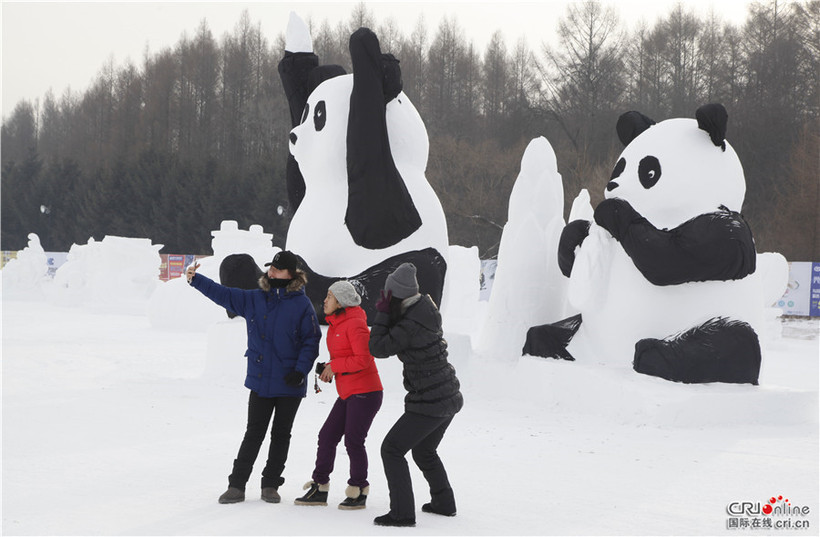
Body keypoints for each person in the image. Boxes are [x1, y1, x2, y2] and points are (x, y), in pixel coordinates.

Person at [186, 250, 321, 505]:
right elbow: (224, 294)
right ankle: (236, 485)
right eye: (270, 268)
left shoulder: (302, 304)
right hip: (261, 379)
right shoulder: (255, 298)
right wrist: (197, 280)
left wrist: (300, 370)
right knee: (254, 432)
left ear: (291, 274)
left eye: (277, 270)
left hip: (290, 382)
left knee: (281, 434)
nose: (271, 273)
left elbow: (311, 340)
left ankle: (270, 484)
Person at [368, 262, 464, 527]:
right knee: (424, 450)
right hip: (448, 395)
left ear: (396, 297)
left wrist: (383, 314)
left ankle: (402, 513)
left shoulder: (409, 326)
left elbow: (377, 346)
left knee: (392, 449)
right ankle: (444, 503)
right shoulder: (424, 310)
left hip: (430, 401)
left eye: (388, 296)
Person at [294, 280, 384, 509]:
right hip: (349, 392)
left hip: (365, 392)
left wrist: (335, 366)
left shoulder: (355, 323)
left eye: (330, 297)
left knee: (353, 441)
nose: (325, 300)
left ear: (341, 302)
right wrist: (330, 366)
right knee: (327, 436)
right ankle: (320, 486)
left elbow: (364, 359)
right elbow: (347, 358)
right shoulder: (337, 324)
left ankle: (359, 489)